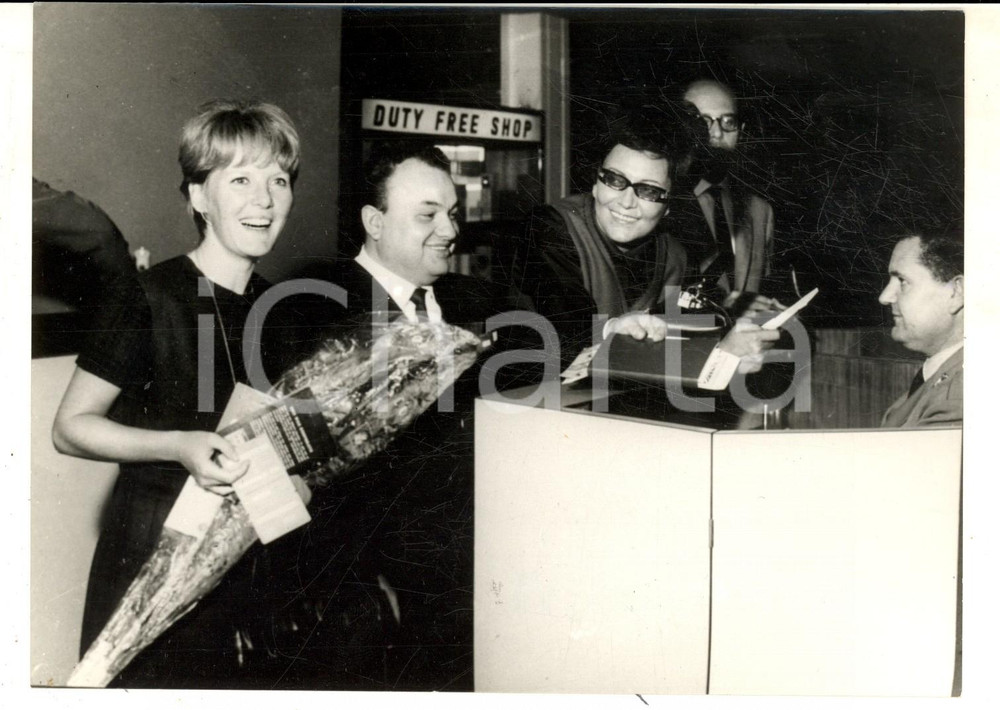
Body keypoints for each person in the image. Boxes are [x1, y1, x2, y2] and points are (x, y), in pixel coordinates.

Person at [245, 142, 518, 691]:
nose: (449, 229)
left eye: (453, 214)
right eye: (427, 215)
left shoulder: (481, 303)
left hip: (470, 592)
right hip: (357, 604)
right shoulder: (311, 308)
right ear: (374, 221)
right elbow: (274, 468)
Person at [51, 99, 305, 688]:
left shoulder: (284, 312)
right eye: (240, 179)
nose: (264, 200)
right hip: (151, 558)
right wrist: (181, 446)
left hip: (248, 563)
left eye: (279, 180)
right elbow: (70, 427)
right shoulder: (147, 296)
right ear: (198, 197)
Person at [512, 104, 779, 390]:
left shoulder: (676, 258)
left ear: (668, 206)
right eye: (615, 180)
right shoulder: (551, 228)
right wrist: (612, 331)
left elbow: (677, 353)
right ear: (595, 184)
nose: (626, 202)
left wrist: (726, 357)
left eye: (648, 191)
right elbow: (550, 335)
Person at [675, 78, 785, 316]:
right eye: (702, 122)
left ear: (741, 131)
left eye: (728, 122)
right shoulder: (660, 203)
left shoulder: (760, 211)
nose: (716, 133)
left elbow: (762, 294)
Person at [878, 230, 963, 427]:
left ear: (957, 293)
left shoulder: (958, 399)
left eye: (902, 281)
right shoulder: (941, 377)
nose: (884, 297)